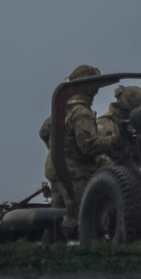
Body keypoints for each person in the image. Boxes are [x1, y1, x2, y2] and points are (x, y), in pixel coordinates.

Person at [39, 64, 115, 240]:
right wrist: (113, 141)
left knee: (57, 217)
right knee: (82, 218)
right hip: (75, 174)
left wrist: (58, 151)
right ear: (88, 88)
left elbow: (44, 132)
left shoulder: (63, 109)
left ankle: (48, 254)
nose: (96, 92)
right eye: (94, 87)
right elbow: (89, 146)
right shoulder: (81, 112)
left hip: (57, 171)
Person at [97, 85, 141, 167]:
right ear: (124, 109)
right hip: (119, 174)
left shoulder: (135, 122)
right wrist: (120, 172)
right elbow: (96, 154)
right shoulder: (106, 125)